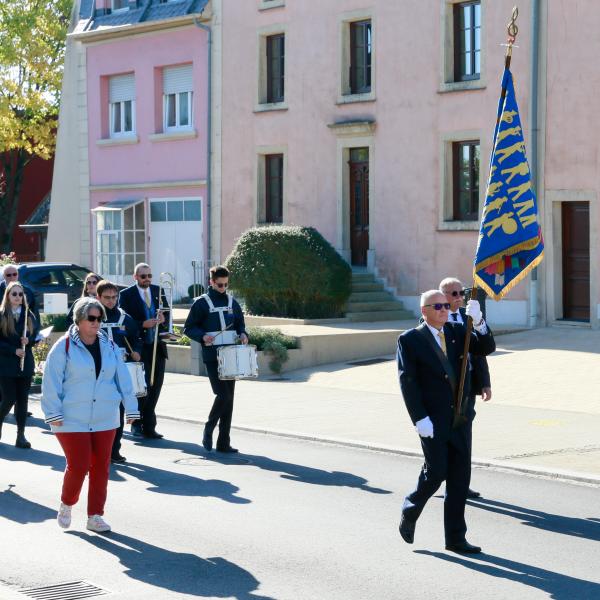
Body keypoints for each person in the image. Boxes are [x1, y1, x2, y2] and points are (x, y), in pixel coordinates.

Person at [397, 290, 495, 554]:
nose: (444, 309)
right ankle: (411, 506)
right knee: (437, 471)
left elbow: (485, 349)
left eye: (445, 305)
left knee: (460, 479)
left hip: (460, 417)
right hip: (432, 419)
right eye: (437, 306)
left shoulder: (456, 331)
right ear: (424, 311)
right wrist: (419, 419)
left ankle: (455, 538)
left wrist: (481, 323)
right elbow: (408, 382)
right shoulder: (410, 340)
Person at [41, 297, 140, 532]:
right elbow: (51, 381)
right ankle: (67, 503)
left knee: (101, 467)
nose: (97, 323)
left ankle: (95, 515)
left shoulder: (110, 346)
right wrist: (52, 412)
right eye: (92, 318)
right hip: (70, 417)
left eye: (100, 318)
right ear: (79, 320)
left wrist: (132, 406)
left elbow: (123, 378)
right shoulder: (63, 347)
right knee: (80, 464)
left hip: (105, 415)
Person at [184, 265, 248, 453]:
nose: (223, 288)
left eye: (226, 284)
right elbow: (189, 327)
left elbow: (240, 324)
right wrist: (202, 336)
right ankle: (209, 427)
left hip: (231, 354)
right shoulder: (201, 303)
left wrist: (243, 333)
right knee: (223, 395)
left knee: (230, 399)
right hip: (213, 356)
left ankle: (223, 442)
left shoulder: (231, 301)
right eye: (219, 285)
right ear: (211, 282)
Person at [440, 277, 492, 500]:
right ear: (443, 297)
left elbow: (479, 353)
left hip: (468, 388)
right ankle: (437, 479)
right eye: (454, 294)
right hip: (445, 390)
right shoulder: (435, 319)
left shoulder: (466, 316)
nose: (460, 297)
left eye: (461, 292)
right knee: (444, 440)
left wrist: (485, 383)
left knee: (465, 438)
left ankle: (462, 483)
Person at [118, 263, 170, 439]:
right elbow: (124, 320)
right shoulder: (126, 295)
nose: (147, 279)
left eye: (149, 275)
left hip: (157, 347)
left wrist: (162, 320)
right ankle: (136, 424)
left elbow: (167, 316)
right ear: (135, 277)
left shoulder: (158, 291)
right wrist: (142, 324)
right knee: (141, 387)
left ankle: (150, 425)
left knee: (156, 387)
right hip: (139, 347)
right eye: (143, 276)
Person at [96, 279, 143, 464]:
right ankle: (101, 451)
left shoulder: (125, 318)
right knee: (102, 412)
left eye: (114, 297)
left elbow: (136, 337)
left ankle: (114, 450)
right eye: (107, 298)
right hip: (98, 371)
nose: (111, 301)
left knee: (119, 411)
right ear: (98, 297)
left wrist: (137, 350)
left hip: (120, 369)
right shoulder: (93, 316)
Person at [0, 281, 39, 448]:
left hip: (25, 365)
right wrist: (13, 350)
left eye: (20, 294)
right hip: (6, 365)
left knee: (23, 401)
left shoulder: (29, 315)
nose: (17, 297)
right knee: (8, 399)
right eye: (14, 294)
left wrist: (29, 340)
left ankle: (21, 435)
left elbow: (36, 335)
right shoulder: (1, 315)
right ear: (8, 296)